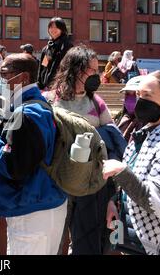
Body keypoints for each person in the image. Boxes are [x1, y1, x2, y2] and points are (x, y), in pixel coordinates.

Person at [0, 53, 67, 255]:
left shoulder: (27, 113)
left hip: (32, 211)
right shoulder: (38, 106)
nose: (1, 79)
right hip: (45, 204)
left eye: (5, 73)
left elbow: (15, 166)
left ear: (24, 78)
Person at [103, 71, 160, 255]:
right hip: (131, 241)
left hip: (157, 246)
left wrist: (122, 171)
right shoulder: (143, 136)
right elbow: (135, 184)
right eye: (139, 95)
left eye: (147, 96)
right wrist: (115, 201)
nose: (139, 101)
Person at [46, 46, 115, 255]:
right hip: (58, 183)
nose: (97, 74)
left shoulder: (97, 102)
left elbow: (112, 142)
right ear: (75, 70)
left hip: (89, 186)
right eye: (91, 70)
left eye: (97, 69)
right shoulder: (49, 99)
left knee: (85, 243)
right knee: (54, 242)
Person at [37, 17, 73, 90]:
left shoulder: (67, 46)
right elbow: (43, 66)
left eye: (56, 27)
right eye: (51, 27)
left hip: (60, 87)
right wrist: (40, 84)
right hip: (46, 87)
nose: (53, 29)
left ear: (62, 29)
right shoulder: (48, 48)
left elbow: (68, 68)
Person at [114, 76, 146, 143]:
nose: (130, 99)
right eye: (128, 94)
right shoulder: (121, 118)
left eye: (135, 94)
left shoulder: (148, 125)